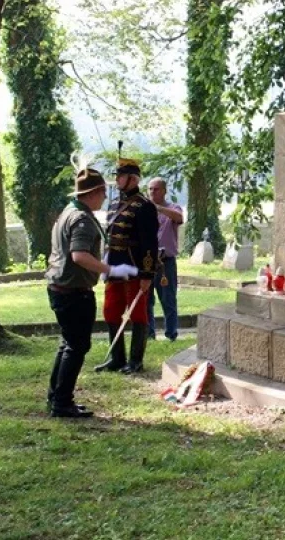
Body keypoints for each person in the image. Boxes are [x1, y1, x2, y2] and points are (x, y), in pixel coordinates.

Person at [45, 160, 138, 417]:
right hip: (73, 292)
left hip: (60, 288)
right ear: (93, 193)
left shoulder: (68, 212)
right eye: (103, 193)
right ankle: (62, 403)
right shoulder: (82, 220)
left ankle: (56, 396)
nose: (105, 198)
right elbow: (78, 255)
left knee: (68, 344)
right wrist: (111, 270)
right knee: (77, 346)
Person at [93, 157, 159, 375]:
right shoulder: (113, 204)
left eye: (121, 176)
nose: (117, 180)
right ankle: (117, 359)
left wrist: (147, 273)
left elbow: (150, 243)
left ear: (132, 179)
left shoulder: (144, 206)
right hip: (114, 267)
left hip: (134, 268)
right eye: (117, 176)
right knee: (111, 312)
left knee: (137, 314)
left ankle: (135, 361)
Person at [147, 177, 184, 342]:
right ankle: (149, 334)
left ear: (164, 191)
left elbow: (179, 217)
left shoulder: (172, 208)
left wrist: (159, 209)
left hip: (165, 262)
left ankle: (171, 334)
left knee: (168, 299)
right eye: (150, 189)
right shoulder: (144, 210)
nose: (152, 192)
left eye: (155, 189)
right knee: (146, 301)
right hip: (147, 262)